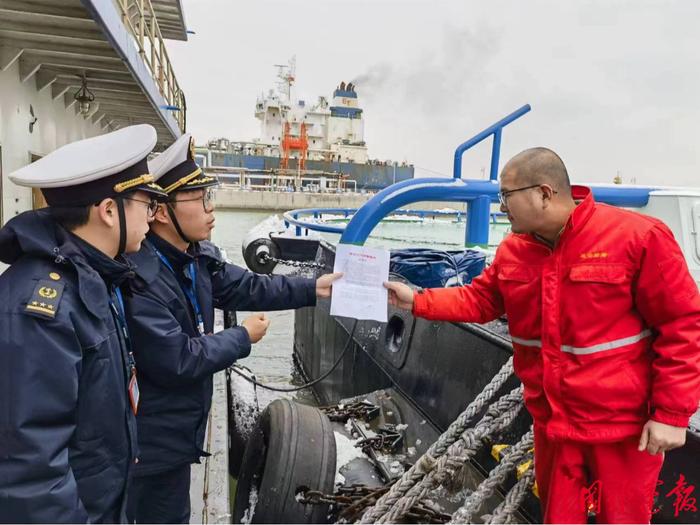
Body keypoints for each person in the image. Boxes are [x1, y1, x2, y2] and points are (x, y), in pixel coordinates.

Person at [384, 147, 700, 523]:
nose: (501, 207)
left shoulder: (637, 238)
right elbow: (482, 299)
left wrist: (672, 414)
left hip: (621, 431)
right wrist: (417, 300)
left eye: (506, 196)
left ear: (544, 193)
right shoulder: (515, 251)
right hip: (554, 428)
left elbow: (683, 323)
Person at [122, 134, 340, 524]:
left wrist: (313, 288)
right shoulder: (142, 278)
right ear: (160, 211)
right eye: (201, 199)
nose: (211, 209)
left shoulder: (194, 258)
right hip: (149, 446)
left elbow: (250, 286)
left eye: (210, 196)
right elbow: (177, 359)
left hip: (175, 438)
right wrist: (242, 337)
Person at [0, 125, 168, 523]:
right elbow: (31, 471)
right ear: (109, 211)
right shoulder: (42, 310)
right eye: (145, 201)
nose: (153, 213)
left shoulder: (93, 278)